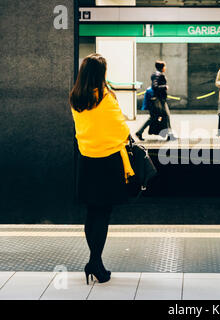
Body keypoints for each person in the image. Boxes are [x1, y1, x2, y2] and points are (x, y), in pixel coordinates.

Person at [70, 53, 135, 284]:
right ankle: (95, 262)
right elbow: (121, 131)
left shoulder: (76, 97)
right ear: (101, 74)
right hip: (108, 161)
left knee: (91, 211)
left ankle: (94, 261)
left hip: (87, 159)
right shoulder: (105, 98)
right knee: (103, 212)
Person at [136, 60, 177, 141]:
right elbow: (155, 86)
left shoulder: (157, 74)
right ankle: (170, 135)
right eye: (164, 66)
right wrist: (165, 87)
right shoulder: (158, 75)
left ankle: (139, 132)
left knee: (154, 117)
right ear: (162, 67)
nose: (165, 68)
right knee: (166, 116)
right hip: (159, 100)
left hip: (159, 99)